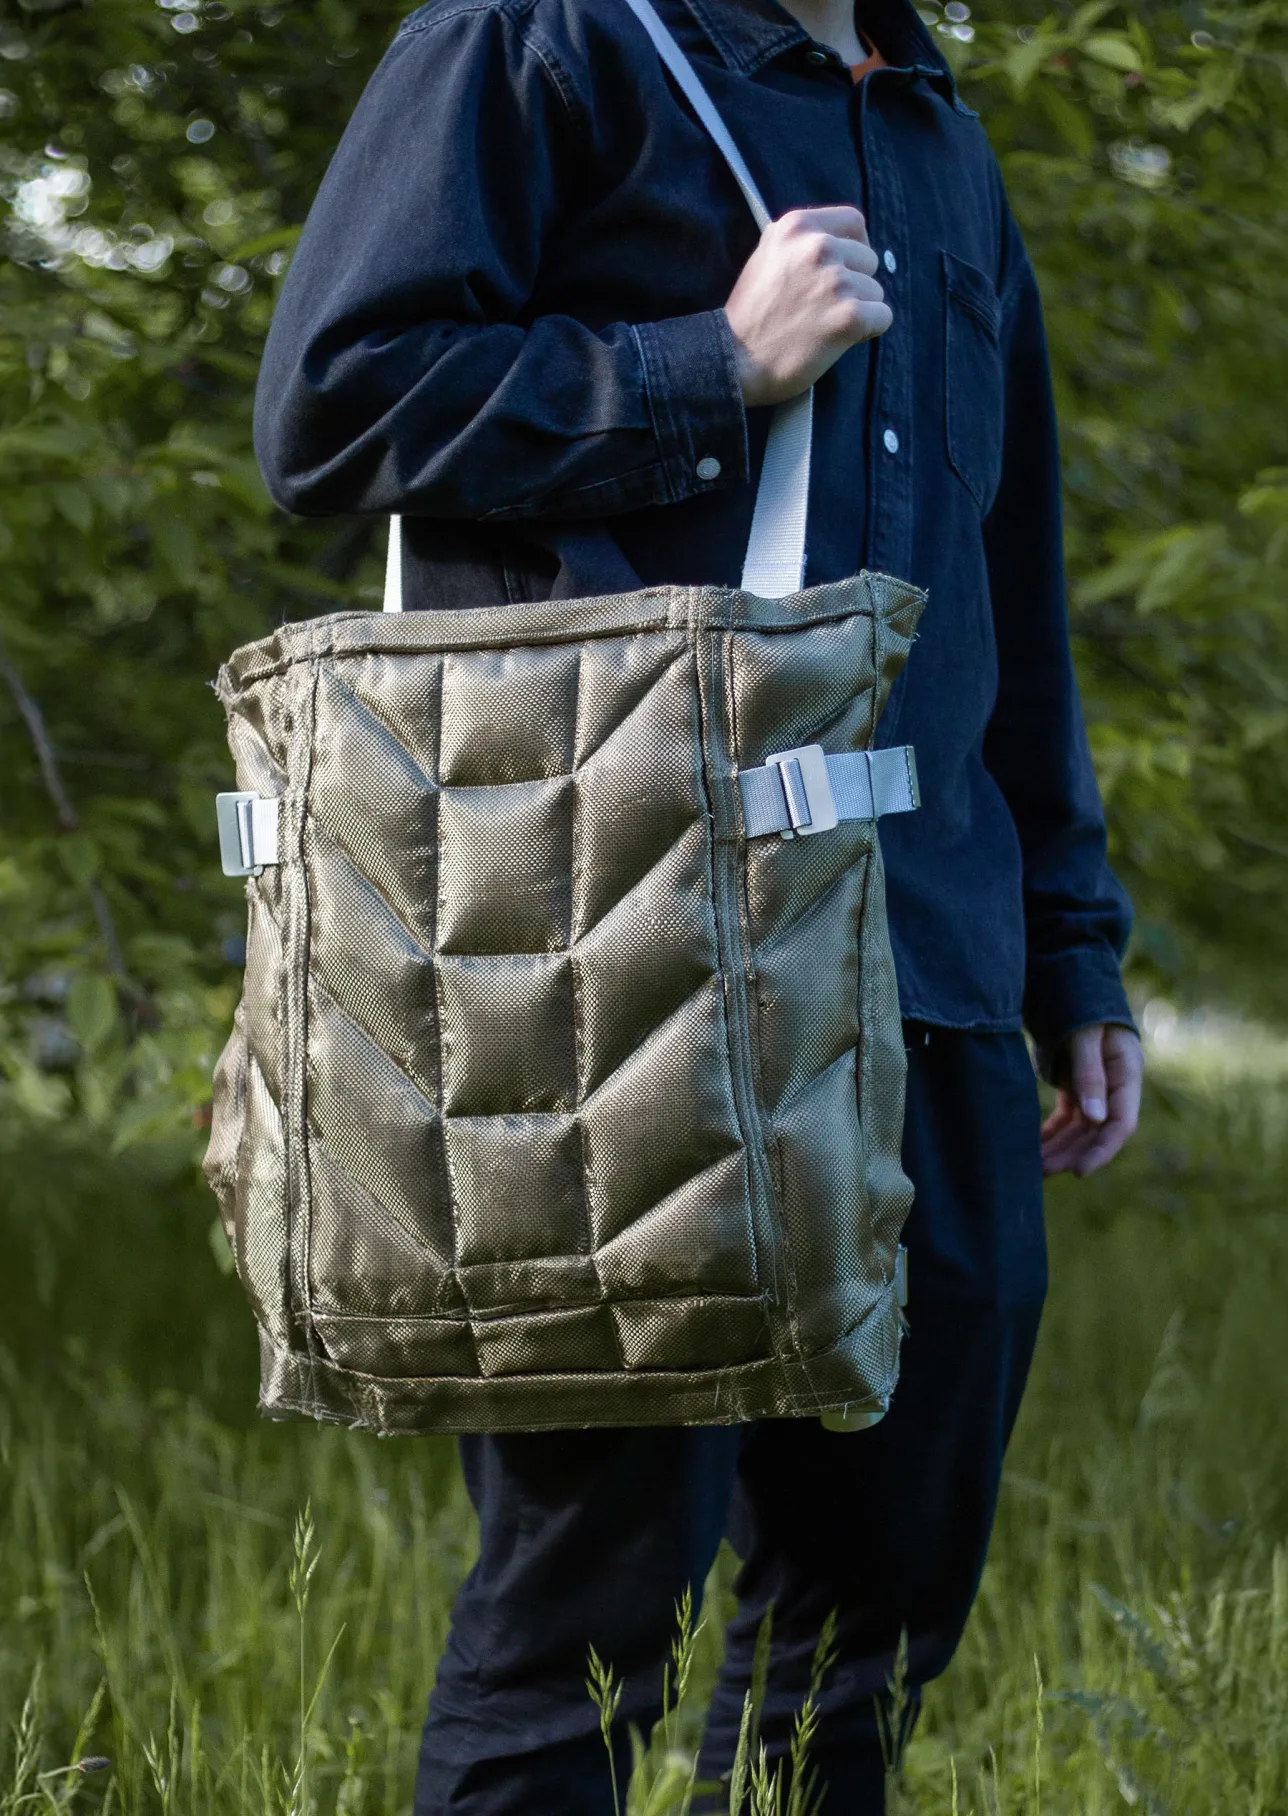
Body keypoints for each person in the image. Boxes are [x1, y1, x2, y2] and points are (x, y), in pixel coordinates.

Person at [253, 0, 1144, 1803]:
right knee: (580, 1634)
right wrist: (703, 367)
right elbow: (332, 412)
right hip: (613, 967)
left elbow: (1006, 583)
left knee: (873, 1616)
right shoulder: (539, 40)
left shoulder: (940, 135)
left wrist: (1073, 943)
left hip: (927, 964)